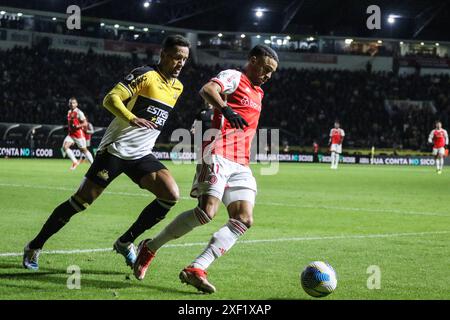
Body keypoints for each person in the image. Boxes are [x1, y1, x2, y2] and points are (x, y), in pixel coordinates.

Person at [22, 35, 191, 270]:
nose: (181, 63)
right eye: (176, 57)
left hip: (142, 154)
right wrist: (132, 118)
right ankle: (34, 246)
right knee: (81, 201)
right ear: (163, 55)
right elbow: (110, 99)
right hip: (116, 150)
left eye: (184, 59)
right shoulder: (145, 74)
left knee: (170, 195)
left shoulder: (177, 87)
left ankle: (125, 242)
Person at [133, 44, 279, 293]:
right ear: (253, 60)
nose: (267, 75)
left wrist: (218, 110)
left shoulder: (259, 93)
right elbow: (208, 89)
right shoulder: (235, 76)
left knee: (244, 219)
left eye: (271, 72)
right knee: (206, 213)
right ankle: (150, 247)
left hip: (241, 162)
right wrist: (225, 109)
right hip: (217, 154)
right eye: (265, 68)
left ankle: (196, 268)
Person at [62, 97, 94, 170]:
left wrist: (78, 126)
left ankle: (93, 165)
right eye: (70, 103)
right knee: (65, 147)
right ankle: (75, 161)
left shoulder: (79, 112)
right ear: (68, 104)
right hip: (71, 135)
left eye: (73, 103)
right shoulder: (69, 112)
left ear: (76, 104)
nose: (72, 104)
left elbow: (85, 123)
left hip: (78, 135)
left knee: (84, 150)